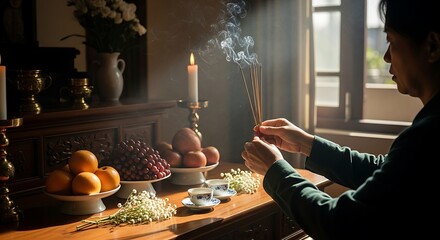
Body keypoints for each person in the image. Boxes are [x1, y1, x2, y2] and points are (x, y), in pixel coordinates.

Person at [241, 0, 440, 239]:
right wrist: (306, 143)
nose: (386, 56)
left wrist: (276, 170)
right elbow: (384, 172)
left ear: (432, 46)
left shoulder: (429, 135)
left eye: (391, 41)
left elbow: (340, 224)